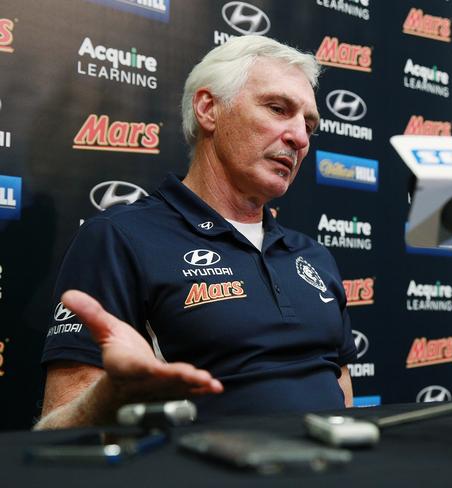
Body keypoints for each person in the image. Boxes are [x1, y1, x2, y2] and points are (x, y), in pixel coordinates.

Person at [35, 36, 357, 430]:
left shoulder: (313, 256)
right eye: (277, 109)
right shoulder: (120, 238)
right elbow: (55, 430)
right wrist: (113, 395)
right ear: (208, 109)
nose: (300, 138)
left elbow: (339, 383)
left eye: (308, 124)